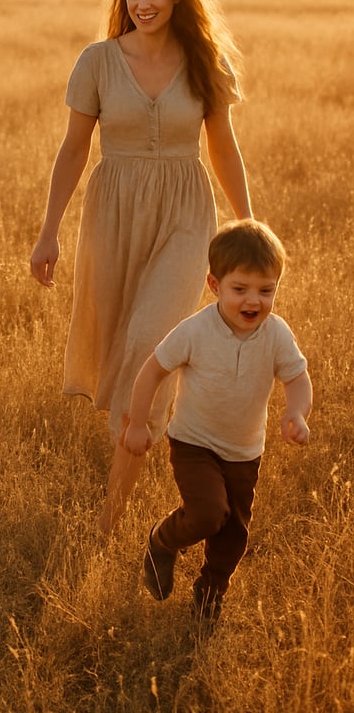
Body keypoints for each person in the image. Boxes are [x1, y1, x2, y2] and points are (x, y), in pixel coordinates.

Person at [30, 0, 253, 536]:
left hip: (186, 212)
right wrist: (48, 230)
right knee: (119, 338)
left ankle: (110, 516)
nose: (144, 3)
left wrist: (246, 223)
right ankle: (155, 436)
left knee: (148, 340)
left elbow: (222, 146)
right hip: (113, 215)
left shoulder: (205, 61)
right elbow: (74, 148)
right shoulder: (97, 61)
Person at [122, 219, 311, 623]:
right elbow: (152, 370)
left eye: (266, 290)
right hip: (194, 443)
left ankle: (208, 595)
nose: (253, 301)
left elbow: (296, 378)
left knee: (233, 534)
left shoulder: (276, 334)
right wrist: (138, 423)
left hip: (244, 452)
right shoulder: (196, 330)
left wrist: (296, 411)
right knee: (209, 513)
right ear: (214, 284)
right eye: (239, 289)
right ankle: (163, 540)